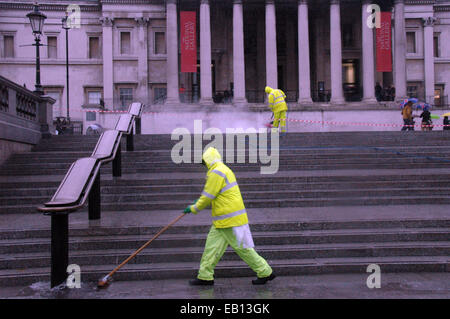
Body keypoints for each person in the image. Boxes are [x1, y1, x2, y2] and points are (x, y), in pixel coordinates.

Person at [184, 147, 275, 286]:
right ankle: (205, 276)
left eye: (204, 162)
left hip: (229, 219)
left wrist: (193, 208)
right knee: (211, 248)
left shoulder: (216, 171)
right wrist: (200, 201)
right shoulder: (223, 169)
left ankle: (265, 272)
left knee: (243, 249)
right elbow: (213, 194)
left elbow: (209, 195)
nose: (204, 165)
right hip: (224, 220)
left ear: (208, 160)